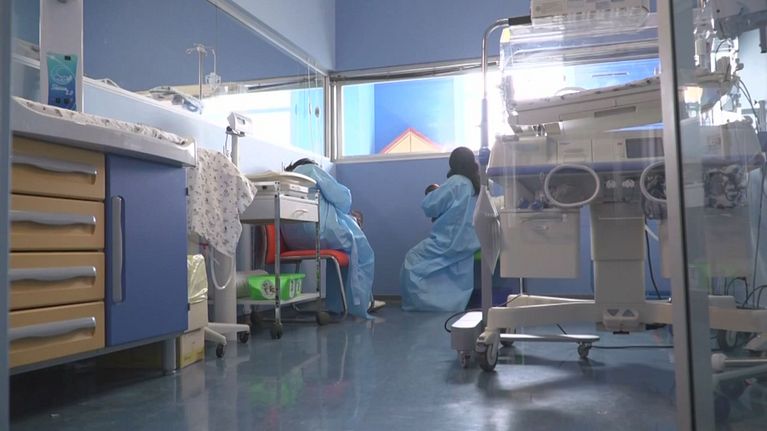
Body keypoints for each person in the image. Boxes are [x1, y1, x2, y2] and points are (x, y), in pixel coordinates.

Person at [280, 158, 374, 319]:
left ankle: (338, 304)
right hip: (319, 233)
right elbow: (343, 199)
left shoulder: (283, 182)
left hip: (293, 241)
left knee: (341, 250)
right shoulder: (311, 170)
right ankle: (357, 303)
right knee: (362, 251)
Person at [400, 147, 481, 312]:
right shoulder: (476, 185)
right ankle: (452, 303)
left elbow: (429, 206)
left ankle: (421, 304)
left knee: (412, 260)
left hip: (448, 241)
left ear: (453, 163)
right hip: (470, 242)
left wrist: (433, 193)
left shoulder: (456, 182)